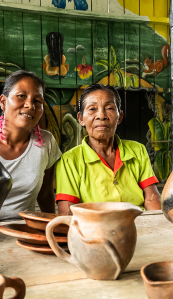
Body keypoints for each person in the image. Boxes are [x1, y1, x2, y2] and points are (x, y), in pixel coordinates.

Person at [56, 84, 161, 215]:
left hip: (138, 224)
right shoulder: (69, 160)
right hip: (95, 229)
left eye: (110, 108)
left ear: (120, 117)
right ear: (81, 119)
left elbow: (152, 198)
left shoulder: (137, 150)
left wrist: (157, 223)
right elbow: (67, 212)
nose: (101, 115)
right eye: (92, 109)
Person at [0, 70, 61, 220]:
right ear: (3, 102)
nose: (30, 105)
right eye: (21, 96)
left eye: (38, 101)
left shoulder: (46, 142)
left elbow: (45, 194)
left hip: (25, 229)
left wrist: (51, 229)